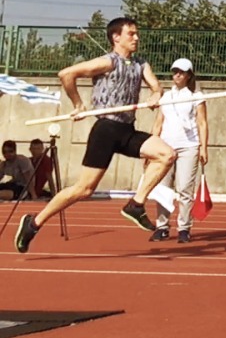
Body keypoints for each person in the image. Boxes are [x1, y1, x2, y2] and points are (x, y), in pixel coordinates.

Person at [15, 17, 177, 253]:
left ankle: (136, 204)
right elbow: (66, 74)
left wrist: (155, 95)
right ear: (116, 37)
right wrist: (78, 104)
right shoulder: (107, 62)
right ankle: (34, 223)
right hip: (106, 130)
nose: (136, 38)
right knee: (84, 189)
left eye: (136, 33)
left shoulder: (141, 64)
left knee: (166, 154)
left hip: (126, 130)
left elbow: (156, 86)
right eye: (131, 33)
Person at [149, 58, 208, 243]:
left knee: (184, 189)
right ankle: (162, 227)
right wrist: (151, 146)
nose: (177, 75)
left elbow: (202, 122)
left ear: (189, 75)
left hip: (188, 146)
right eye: (175, 71)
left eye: (181, 72)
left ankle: (184, 227)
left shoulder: (196, 96)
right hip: (165, 147)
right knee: (163, 189)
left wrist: (204, 148)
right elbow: (158, 123)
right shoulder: (166, 97)